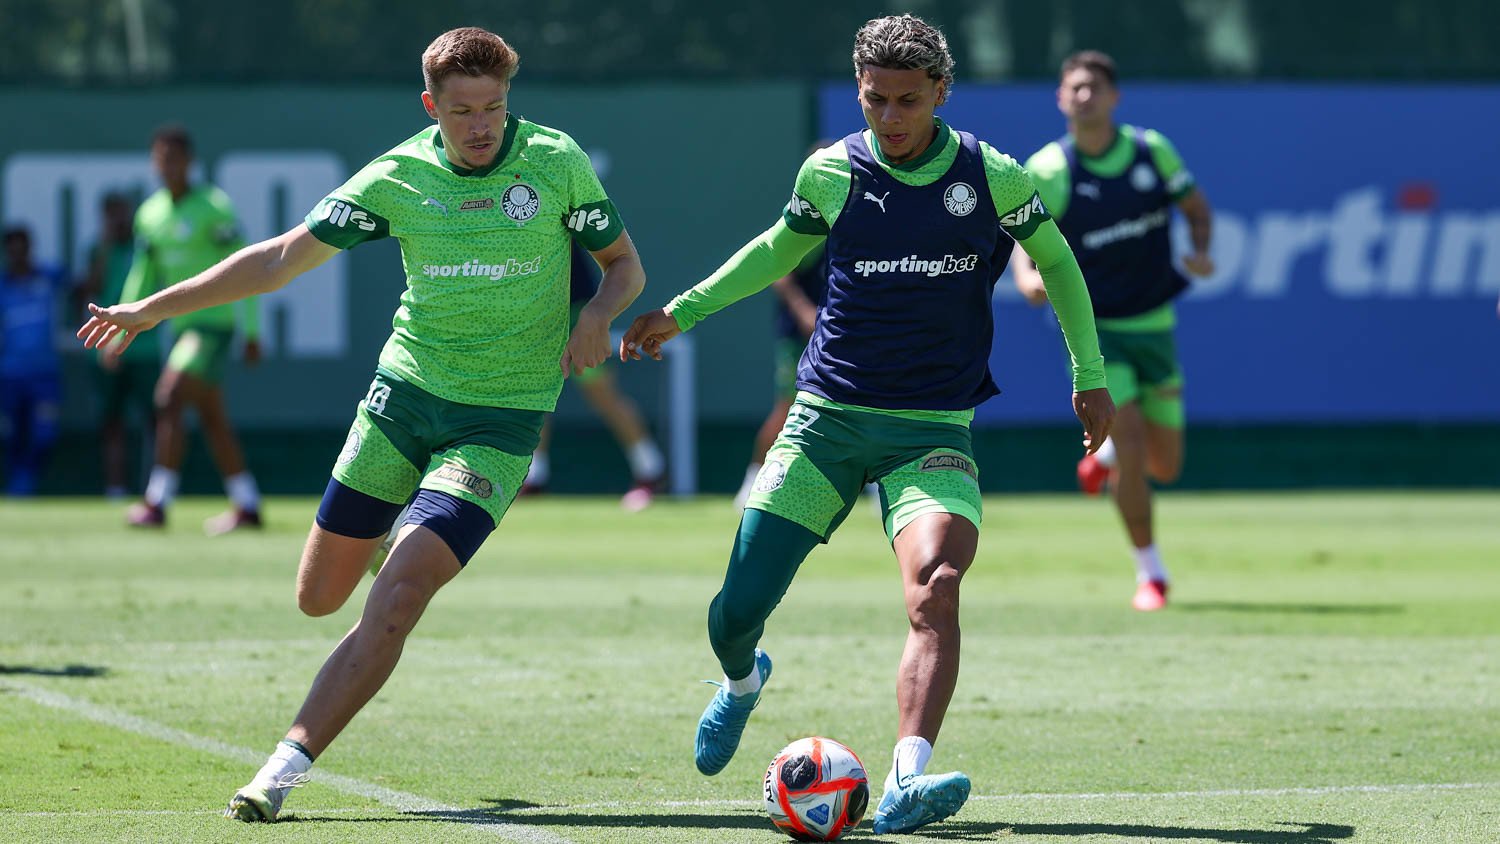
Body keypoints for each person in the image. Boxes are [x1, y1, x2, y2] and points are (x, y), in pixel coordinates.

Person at [78, 26, 645, 823]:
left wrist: (598, 312)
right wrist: (149, 310)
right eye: (462, 111)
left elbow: (625, 264)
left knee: (401, 592)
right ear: (430, 106)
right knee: (317, 598)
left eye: (495, 106)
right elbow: (277, 258)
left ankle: (282, 767)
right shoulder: (397, 176)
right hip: (403, 402)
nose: (482, 126)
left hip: (501, 423)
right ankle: (387, 532)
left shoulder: (555, 162)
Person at [621, 15, 1112, 835]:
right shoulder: (832, 172)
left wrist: (1087, 375)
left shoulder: (989, 176)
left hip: (932, 433)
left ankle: (906, 781)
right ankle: (742, 682)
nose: (890, 117)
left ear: (942, 93)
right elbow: (777, 251)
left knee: (938, 590)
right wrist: (683, 311)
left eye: (908, 101)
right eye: (875, 99)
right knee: (735, 610)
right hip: (825, 425)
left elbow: (1056, 262)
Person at [1009, 50, 1214, 612]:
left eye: (1095, 86)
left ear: (1114, 96)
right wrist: (1028, 278)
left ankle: (1102, 463)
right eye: (1074, 87)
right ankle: (1152, 573)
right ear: (1060, 98)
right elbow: (1023, 239)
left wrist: (1199, 250)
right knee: (1129, 439)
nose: (1084, 95)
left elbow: (1196, 209)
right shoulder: (1049, 168)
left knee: (1163, 464)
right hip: (1095, 332)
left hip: (1155, 323)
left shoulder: (1152, 151)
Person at [118, 125, 265, 533]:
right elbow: (142, 274)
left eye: (175, 158)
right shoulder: (149, 214)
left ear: (189, 162)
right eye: (161, 159)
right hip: (182, 330)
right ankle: (247, 503)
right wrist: (120, 325)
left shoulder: (215, 208)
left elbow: (250, 270)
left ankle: (157, 501)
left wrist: (251, 330)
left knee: (168, 396)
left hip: (214, 327)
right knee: (212, 417)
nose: (168, 167)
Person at [520, 239, 665, 510]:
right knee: (533, 395)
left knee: (602, 394)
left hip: (577, 310)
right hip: (533, 313)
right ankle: (534, 477)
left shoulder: (559, 201)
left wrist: (593, 316)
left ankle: (650, 470)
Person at [732, 138, 829, 510]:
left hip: (843, 332)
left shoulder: (858, 211)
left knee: (863, 405)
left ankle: (873, 488)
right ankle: (751, 480)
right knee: (788, 406)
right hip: (800, 334)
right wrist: (805, 312)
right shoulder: (805, 215)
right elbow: (779, 272)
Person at [80, 192, 158, 499]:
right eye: (112, 214)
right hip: (107, 348)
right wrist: (105, 247)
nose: (119, 220)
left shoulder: (146, 249)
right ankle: (116, 488)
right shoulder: (99, 251)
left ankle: (156, 489)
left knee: (156, 418)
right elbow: (92, 287)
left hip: (146, 349)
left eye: (123, 213)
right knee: (112, 422)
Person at [0, 225, 69, 495]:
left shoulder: (49, 276)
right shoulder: (3, 285)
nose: (18, 254)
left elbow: (81, 285)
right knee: (14, 434)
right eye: (12, 249)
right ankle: (19, 486)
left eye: (23, 247)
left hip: (45, 374)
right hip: (10, 374)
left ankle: (28, 480)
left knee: (45, 433)